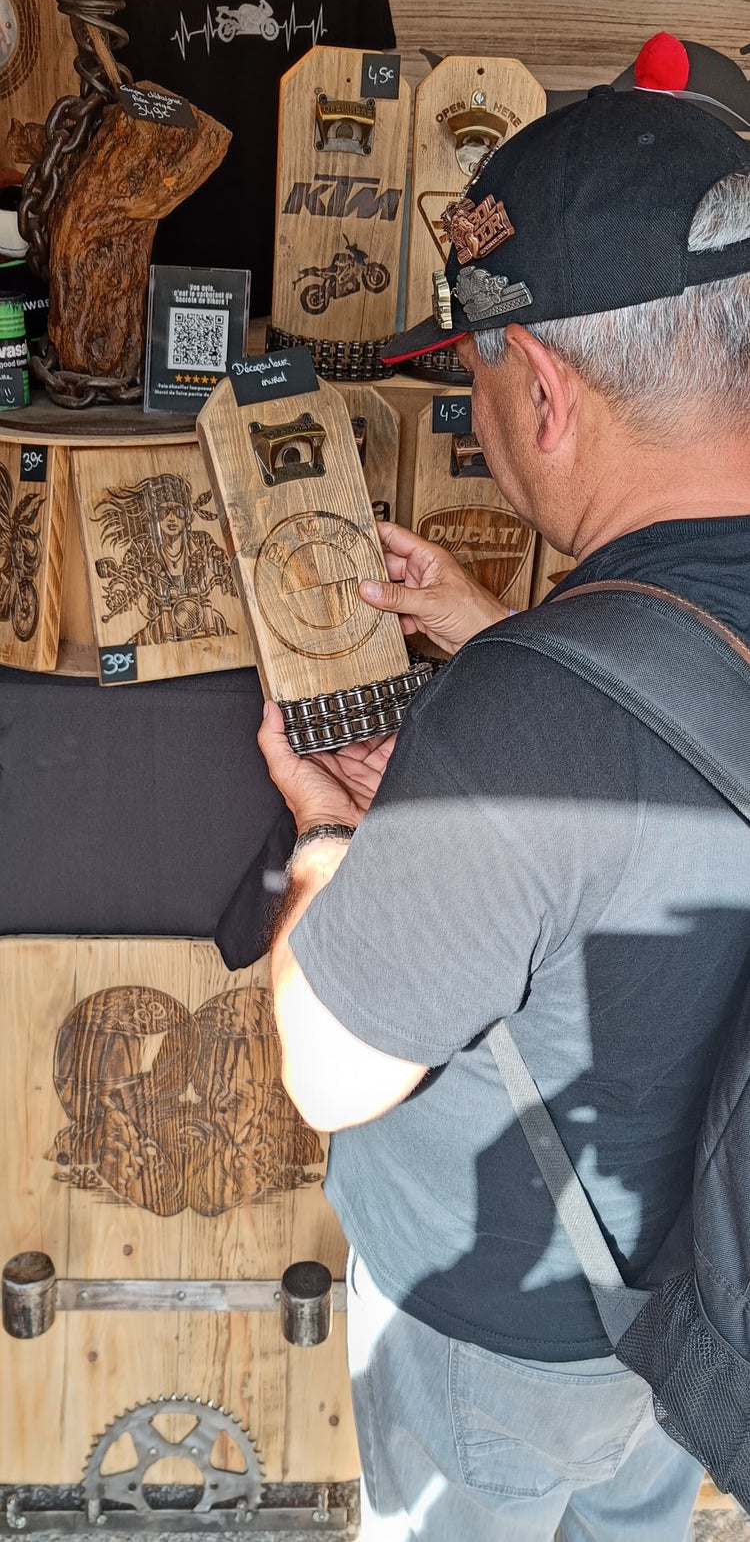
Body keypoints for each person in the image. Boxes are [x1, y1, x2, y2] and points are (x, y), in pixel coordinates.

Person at [257, 87, 750, 1541]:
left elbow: (331, 1074)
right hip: (697, 1306)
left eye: (473, 382)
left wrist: (327, 846)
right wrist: (502, 636)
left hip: (506, 1334)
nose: (478, 421)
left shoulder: (524, 723)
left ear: (539, 384)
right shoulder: (553, 691)